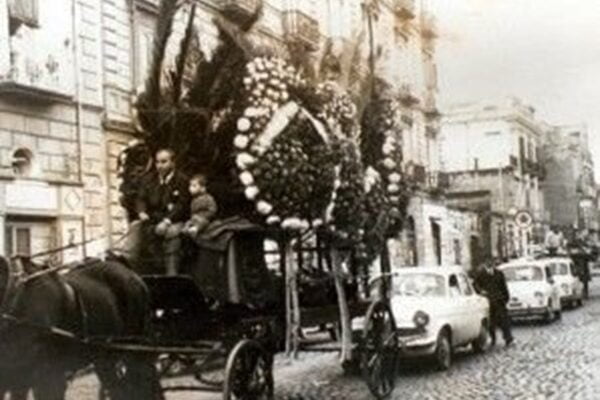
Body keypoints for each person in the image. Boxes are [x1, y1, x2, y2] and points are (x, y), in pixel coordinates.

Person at [136, 148, 190, 275]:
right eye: (157, 162)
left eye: (164, 162)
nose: (159, 166)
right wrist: (141, 211)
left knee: (171, 234)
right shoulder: (149, 179)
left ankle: (172, 275)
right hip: (153, 219)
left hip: (175, 220)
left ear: (173, 163)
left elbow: (182, 205)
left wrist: (167, 221)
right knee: (135, 228)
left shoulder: (182, 180)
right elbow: (140, 198)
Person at [473, 259, 514, 347]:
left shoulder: (499, 274)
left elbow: (504, 287)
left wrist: (506, 298)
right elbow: (475, 285)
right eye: (488, 263)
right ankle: (493, 338)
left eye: (491, 263)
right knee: (491, 322)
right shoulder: (481, 275)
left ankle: (508, 338)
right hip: (487, 301)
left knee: (504, 320)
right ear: (484, 264)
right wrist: (481, 291)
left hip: (499, 301)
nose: (490, 264)